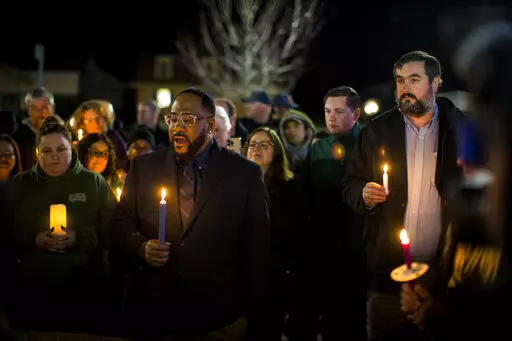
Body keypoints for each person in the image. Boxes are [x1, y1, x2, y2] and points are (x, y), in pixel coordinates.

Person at [110, 87, 270, 341]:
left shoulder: (244, 174)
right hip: (154, 314)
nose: (177, 127)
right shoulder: (145, 168)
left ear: (210, 124)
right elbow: (120, 222)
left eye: (187, 119)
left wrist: (247, 318)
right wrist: (141, 246)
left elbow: (258, 250)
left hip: (218, 318)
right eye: (173, 119)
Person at [341, 51, 465, 341]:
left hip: (443, 276)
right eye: (399, 81)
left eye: (413, 79)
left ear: (435, 83)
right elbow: (350, 183)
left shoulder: (459, 128)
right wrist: (363, 194)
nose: (404, 88)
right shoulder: (377, 130)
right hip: (388, 275)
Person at [9, 116, 116, 335]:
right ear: (37, 152)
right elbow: (4, 233)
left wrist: (81, 238)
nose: (55, 157)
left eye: (61, 149)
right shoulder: (20, 184)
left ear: (72, 148)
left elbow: (113, 230)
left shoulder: (93, 183)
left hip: (84, 288)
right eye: (47, 151)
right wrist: (32, 239)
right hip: (32, 291)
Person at [289, 86, 366, 341]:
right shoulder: (319, 149)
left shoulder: (370, 143)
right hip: (324, 246)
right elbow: (305, 194)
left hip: (361, 245)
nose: (330, 117)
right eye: (327, 111)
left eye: (338, 111)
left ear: (355, 114)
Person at [244, 127, 301, 341]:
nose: (257, 149)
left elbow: (292, 234)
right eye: (253, 144)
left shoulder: (289, 189)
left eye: (264, 145)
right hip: (243, 274)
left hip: (274, 276)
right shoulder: (238, 185)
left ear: (276, 152)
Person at [13, 87, 55, 169]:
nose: (41, 113)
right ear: (28, 109)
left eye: (44, 108)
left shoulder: (61, 134)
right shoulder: (18, 137)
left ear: (53, 108)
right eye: (35, 109)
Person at [278, 109, 316, 176]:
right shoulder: (279, 157)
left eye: (296, 126)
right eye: (287, 127)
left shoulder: (320, 152)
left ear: (306, 129)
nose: (292, 131)